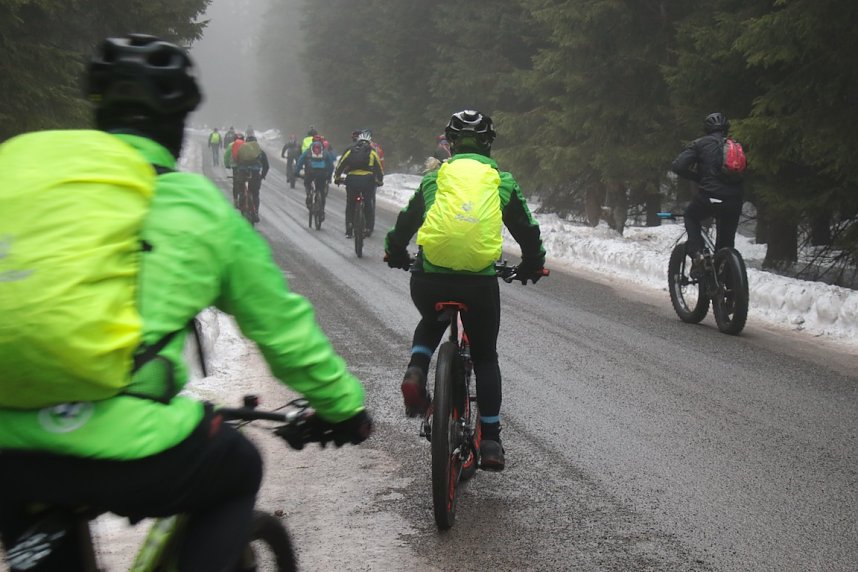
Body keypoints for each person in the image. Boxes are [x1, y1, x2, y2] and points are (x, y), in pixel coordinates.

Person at [0, 34, 372, 572]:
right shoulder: (197, 206)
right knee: (237, 466)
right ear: (178, 127)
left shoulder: (33, 188)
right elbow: (283, 328)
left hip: (10, 448)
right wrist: (344, 408)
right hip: (127, 443)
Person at [384, 109, 545, 472]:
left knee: (430, 318)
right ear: (488, 143)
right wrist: (533, 264)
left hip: (430, 278)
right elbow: (527, 229)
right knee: (485, 356)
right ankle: (490, 440)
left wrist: (394, 252)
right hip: (478, 283)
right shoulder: (499, 180)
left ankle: (417, 368)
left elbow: (406, 220)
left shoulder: (435, 176)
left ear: (450, 144)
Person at [670, 112, 745, 278]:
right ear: (726, 129)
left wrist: (697, 177)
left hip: (710, 196)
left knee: (691, 215)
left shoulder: (700, 144)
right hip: (734, 200)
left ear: (706, 129)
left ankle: (698, 255)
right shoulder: (736, 147)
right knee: (726, 244)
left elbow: (678, 166)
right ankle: (728, 287)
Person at [334, 130, 384, 238]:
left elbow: (340, 165)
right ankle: (368, 228)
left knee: (350, 204)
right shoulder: (372, 152)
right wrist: (380, 180)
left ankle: (349, 228)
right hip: (368, 180)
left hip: (352, 180)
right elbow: (379, 168)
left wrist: (337, 178)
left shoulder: (351, 150)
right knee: (368, 203)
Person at [295, 134, 336, 221]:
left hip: (310, 173)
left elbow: (300, 161)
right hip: (322, 174)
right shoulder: (325, 152)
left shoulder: (308, 151)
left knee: (307, 183)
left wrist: (296, 172)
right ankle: (322, 211)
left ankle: (309, 195)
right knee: (321, 191)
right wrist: (329, 176)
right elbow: (330, 165)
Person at [234, 133, 270, 222]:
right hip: (255, 173)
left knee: (241, 189)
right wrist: (262, 176)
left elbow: (237, 161)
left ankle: (241, 204)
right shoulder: (260, 152)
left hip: (243, 172)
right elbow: (266, 166)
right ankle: (256, 212)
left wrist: (238, 171)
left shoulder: (242, 150)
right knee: (255, 193)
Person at [223, 131, 244, 204]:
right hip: (244, 166)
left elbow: (226, 156)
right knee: (244, 181)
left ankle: (235, 200)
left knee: (235, 183)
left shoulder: (231, 145)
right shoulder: (246, 144)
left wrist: (227, 165)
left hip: (235, 166)